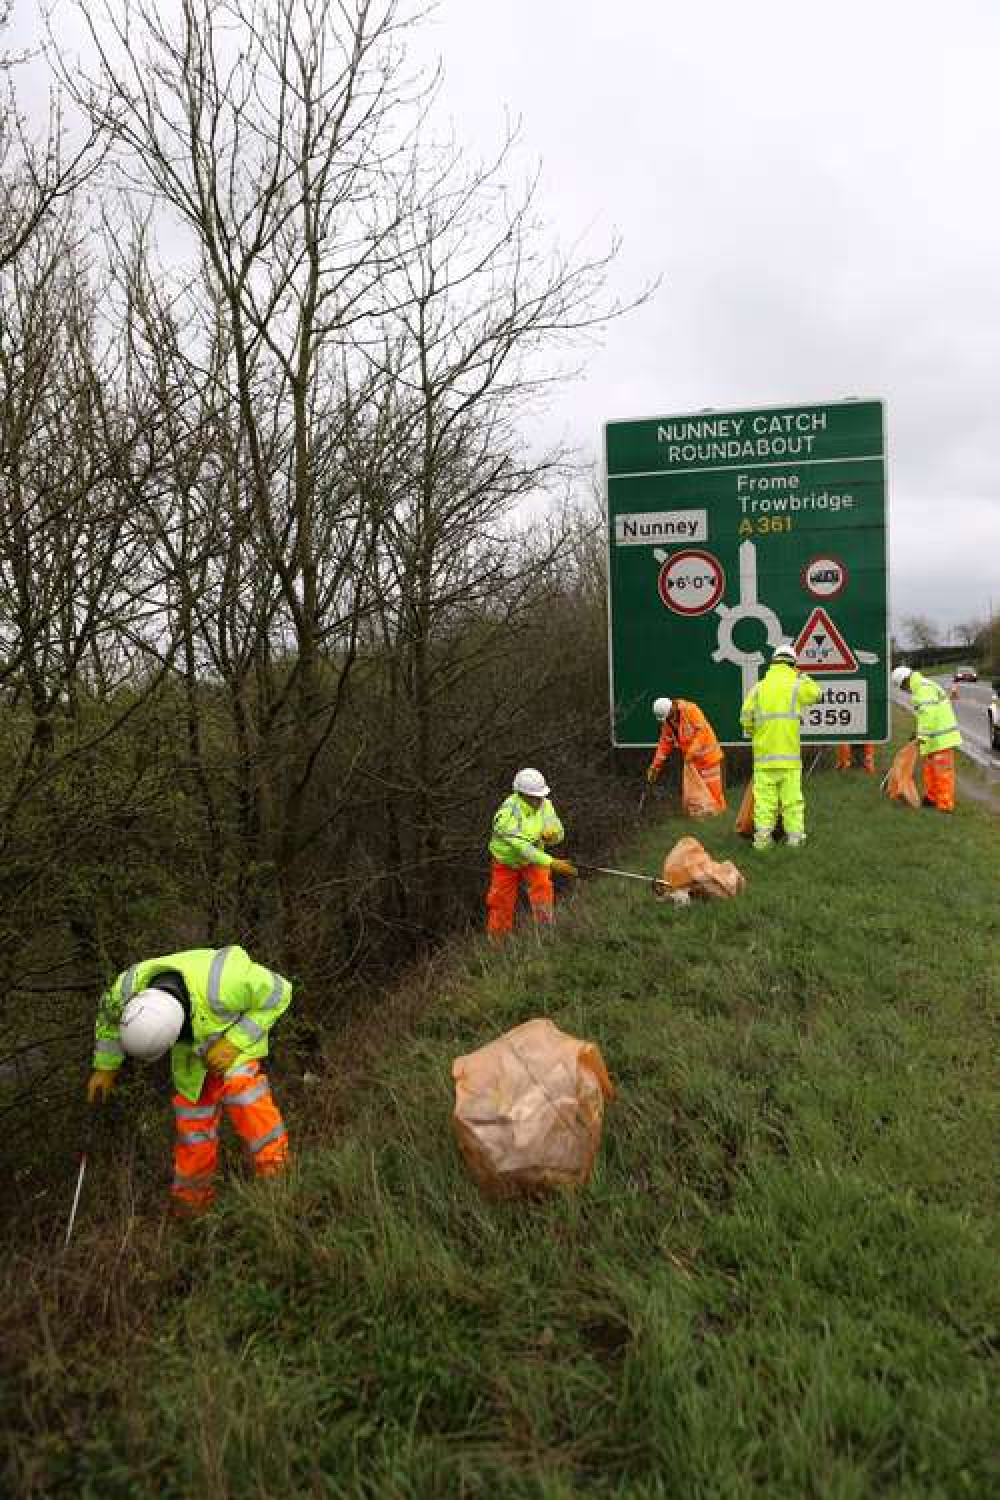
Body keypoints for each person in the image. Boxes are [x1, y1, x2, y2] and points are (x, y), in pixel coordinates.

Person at [87, 945, 292, 1215]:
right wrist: (105, 1067)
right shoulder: (125, 990)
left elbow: (279, 991)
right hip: (191, 1053)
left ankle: (277, 1175)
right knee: (192, 1123)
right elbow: (109, 1022)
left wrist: (234, 1042)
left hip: (232, 1039)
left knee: (244, 1095)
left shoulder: (228, 982)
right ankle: (191, 1205)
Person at [740, 642, 822, 849]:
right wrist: (801, 674)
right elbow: (816, 694)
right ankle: (795, 840)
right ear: (793, 663)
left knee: (765, 803)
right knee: (792, 801)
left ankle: (762, 841)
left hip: (764, 757)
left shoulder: (759, 688)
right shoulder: (796, 684)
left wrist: (755, 734)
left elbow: (745, 717)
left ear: (773, 662)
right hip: (789, 757)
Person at [486, 768, 576, 938]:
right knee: (501, 902)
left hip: (535, 860)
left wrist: (552, 835)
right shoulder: (507, 813)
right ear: (521, 794)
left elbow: (560, 833)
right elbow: (522, 847)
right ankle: (498, 944)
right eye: (534, 797)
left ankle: (545, 933)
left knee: (543, 888)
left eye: (540, 796)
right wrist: (550, 862)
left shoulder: (546, 805)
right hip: (506, 863)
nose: (538, 800)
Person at [890, 666, 962, 811]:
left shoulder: (923, 689)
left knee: (942, 772)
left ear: (905, 681)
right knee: (930, 769)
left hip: (941, 738)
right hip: (934, 737)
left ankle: (945, 804)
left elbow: (928, 714)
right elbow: (925, 716)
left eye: (903, 687)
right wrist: (918, 733)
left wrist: (921, 735)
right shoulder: (923, 686)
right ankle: (931, 798)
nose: (905, 691)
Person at [646, 696, 727, 809]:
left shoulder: (690, 710)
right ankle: (703, 820)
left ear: (672, 708)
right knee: (698, 797)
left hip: (709, 759)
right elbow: (664, 744)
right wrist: (655, 766)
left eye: (668, 715)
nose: (668, 718)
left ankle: (719, 817)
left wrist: (691, 752)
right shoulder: (668, 722)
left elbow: (702, 732)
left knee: (713, 794)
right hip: (692, 763)